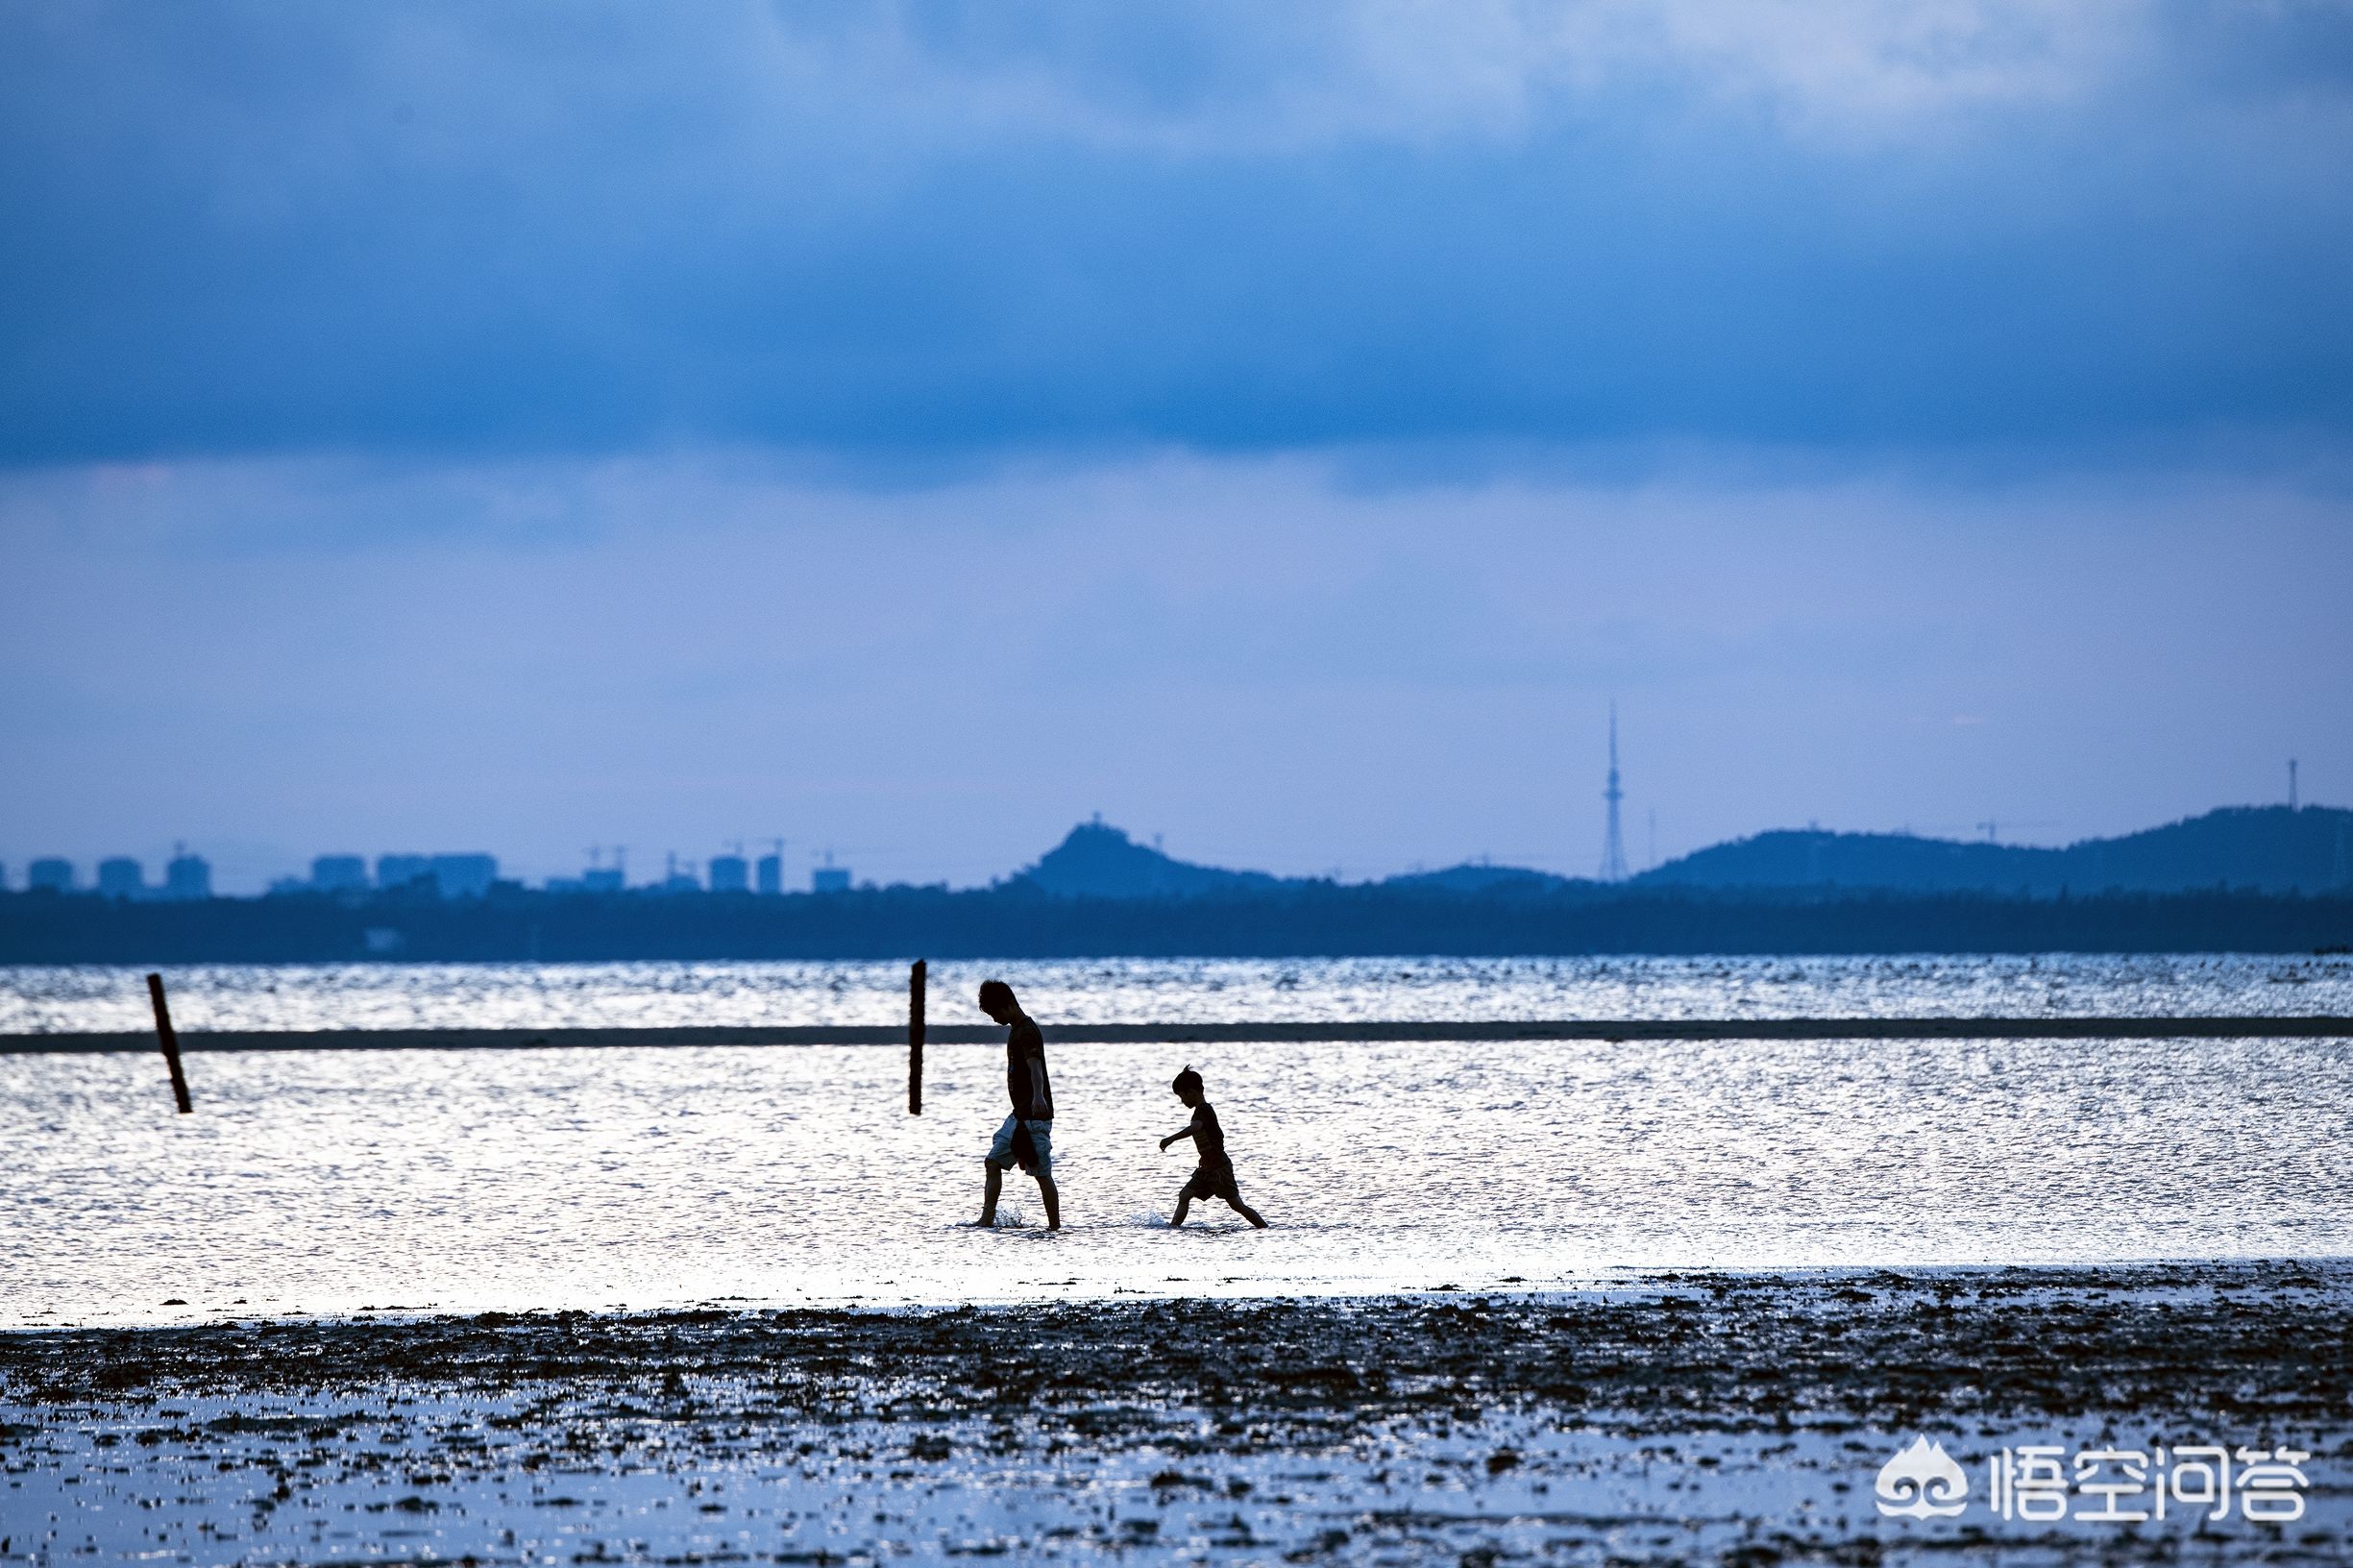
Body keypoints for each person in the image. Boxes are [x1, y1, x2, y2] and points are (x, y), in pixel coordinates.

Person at [977, 979, 1060, 1230]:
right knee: (993, 1162)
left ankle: (1055, 1226)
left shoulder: (1026, 1031)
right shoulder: (1016, 1030)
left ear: (1009, 1004)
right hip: (1018, 1116)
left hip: (1035, 1117)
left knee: (1042, 1174)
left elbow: (1035, 1066)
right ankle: (986, 1218)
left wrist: (1038, 1096)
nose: (994, 1019)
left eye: (995, 1013)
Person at [1159, 1065, 1266, 1228]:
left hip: (1219, 1168)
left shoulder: (1204, 1111)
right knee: (1185, 1195)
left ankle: (1264, 1228)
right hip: (1207, 1168)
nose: (1182, 1101)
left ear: (1191, 1092)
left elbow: (1195, 1127)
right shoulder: (1200, 1111)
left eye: (1182, 1097)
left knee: (1237, 1205)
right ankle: (1173, 1228)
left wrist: (1171, 1138)